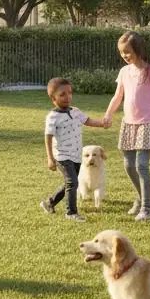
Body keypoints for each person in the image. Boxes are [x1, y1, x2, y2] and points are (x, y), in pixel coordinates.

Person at [103, 31, 150, 221]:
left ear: (138, 49)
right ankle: (141, 198)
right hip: (129, 124)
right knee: (128, 165)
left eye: (127, 51)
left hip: (148, 124)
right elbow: (118, 96)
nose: (124, 55)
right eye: (121, 52)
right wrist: (108, 114)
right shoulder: (124, 72)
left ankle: (147, 208)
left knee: (141, 165)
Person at [39, 77, 107, 222]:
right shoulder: (52, 117)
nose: (67, 97)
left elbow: (88, 121)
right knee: (73, 183)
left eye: (70, 93)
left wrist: (102, 123)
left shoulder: (76, 111)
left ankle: (50, 203)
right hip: (62, 157)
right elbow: (48, 137)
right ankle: (71, 212)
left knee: (69, 183)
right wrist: (50, 158)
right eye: (62, 94)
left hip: (76, 156)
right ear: (53, 98)